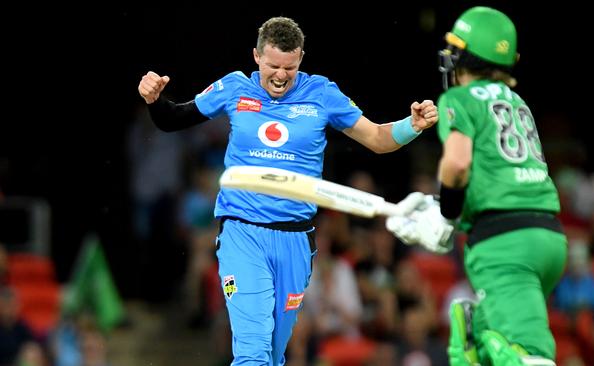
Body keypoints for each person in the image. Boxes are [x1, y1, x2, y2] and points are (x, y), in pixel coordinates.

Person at [137, 16, 438, 366]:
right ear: (256, 57)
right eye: (273, 66)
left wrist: (412, 126)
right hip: (242, 233)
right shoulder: (235, 88)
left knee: (275, 355)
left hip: (296, 241)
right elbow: (173, 118)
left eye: (289, 67)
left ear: (301, 59)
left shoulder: (323, 94)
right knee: (252, 351)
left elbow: (377, 139)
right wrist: (155, 100)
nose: (280, 76)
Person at [386, 6, 567, 366]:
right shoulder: (517, 102)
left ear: (462, 56)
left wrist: (446, 215)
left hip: (504, 246)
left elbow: (457, 162)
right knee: (481, 344)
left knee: (529, 357)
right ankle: (476, 340)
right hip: (549, 239)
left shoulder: (459, 98)